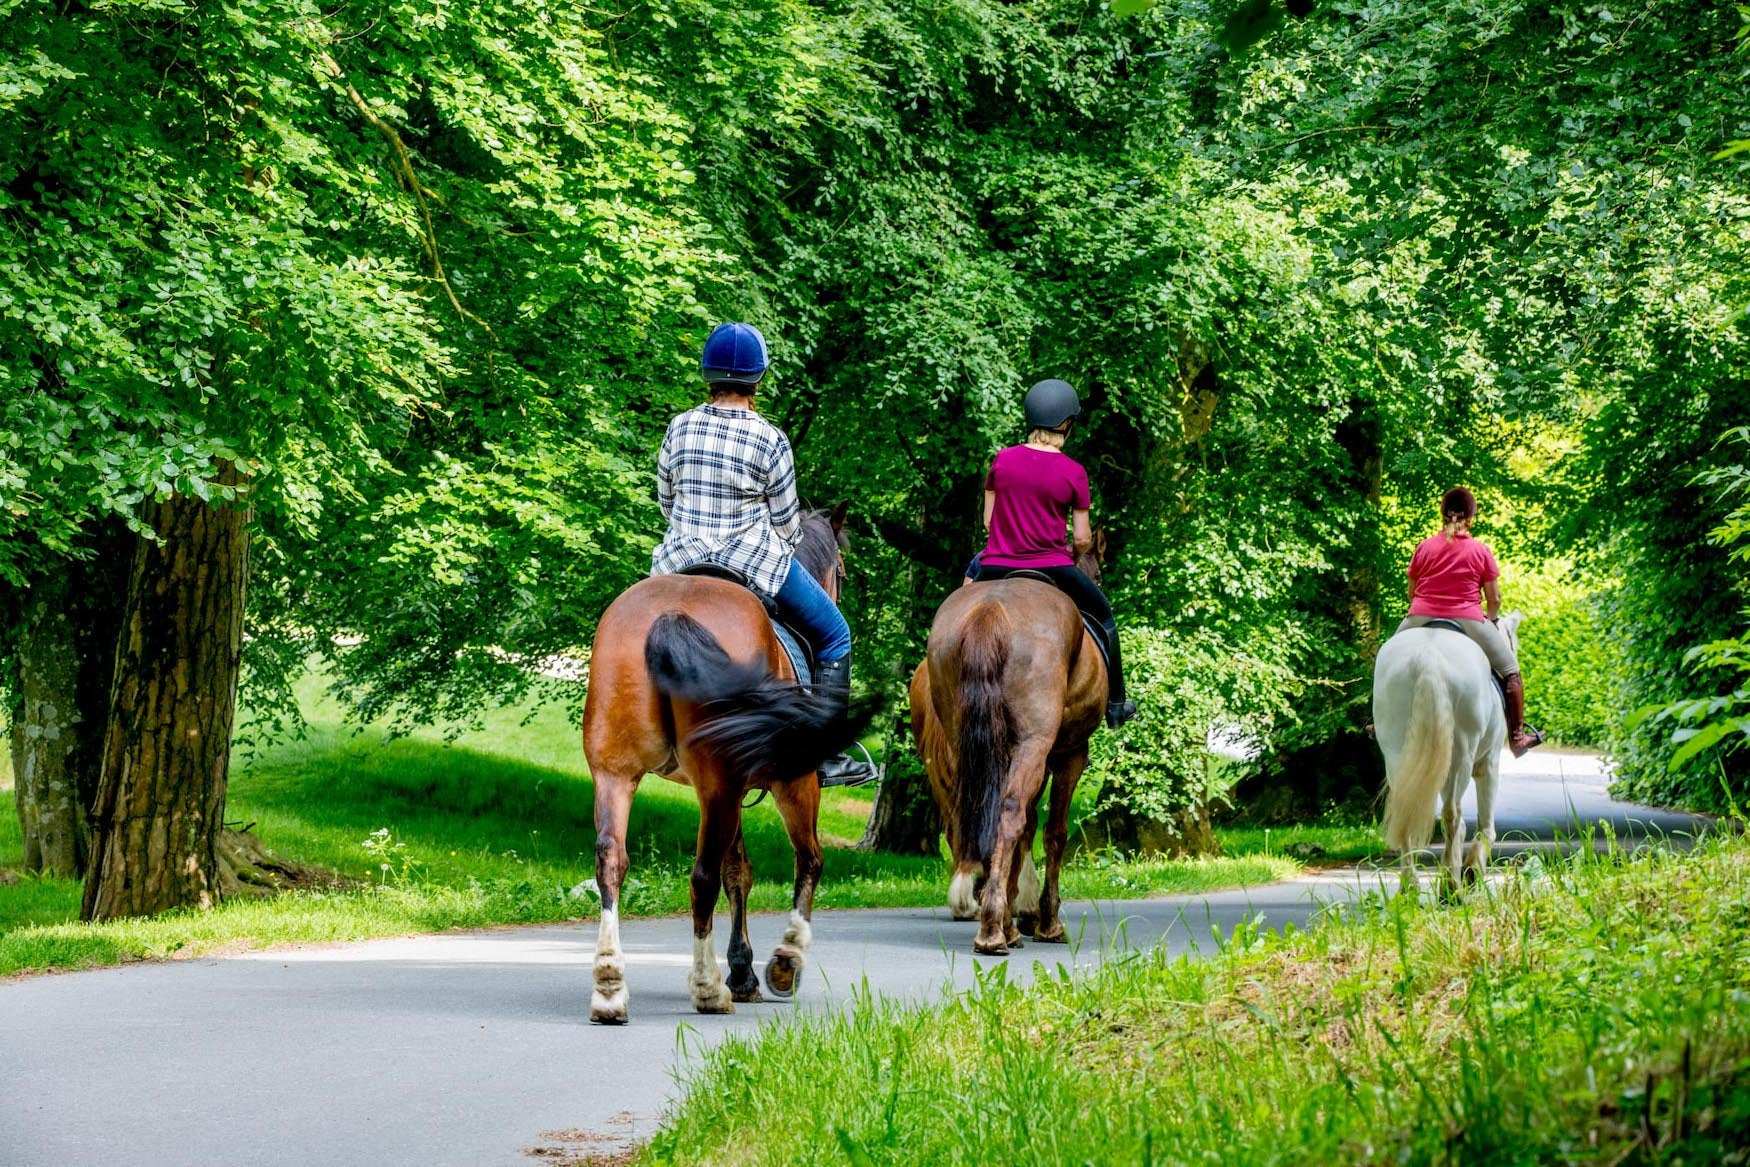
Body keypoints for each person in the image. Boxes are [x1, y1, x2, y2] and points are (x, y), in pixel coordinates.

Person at [651, 321, 875, 785]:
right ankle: (828, 757)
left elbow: (666, 501)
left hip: (676, 563)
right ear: (758, 379)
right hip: (751, 565)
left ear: (707, 374)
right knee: (835, 634)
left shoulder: (679, 426)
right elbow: (788, 524)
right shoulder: (770, 438)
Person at [967, 379, 1137, 728]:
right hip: (1053, 565)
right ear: (1066, 424)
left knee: (961, 609)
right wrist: (1071, 553)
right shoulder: (1074, 472)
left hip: (994, 564)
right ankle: (1117, 703)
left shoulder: (1003, 459)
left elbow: (988, 520)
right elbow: (1082, 538)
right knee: (1105, 618)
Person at [1397, 486, 1544, 757]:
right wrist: (1491, 619)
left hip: (1421, 615)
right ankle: (1518, 738)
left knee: (1388, 656)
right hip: (1468, 619)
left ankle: (1375, 721)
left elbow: (1411, 592)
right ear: (1471, 518)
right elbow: (1495, 598)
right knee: (1511, 670)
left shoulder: (1424, 547)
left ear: (1442, 515)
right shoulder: (1480, 550)